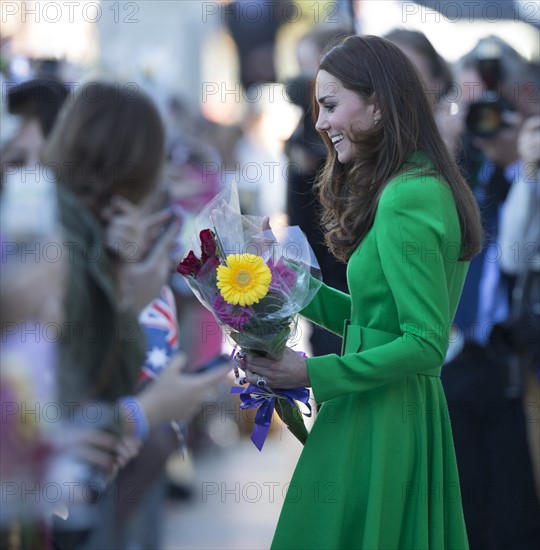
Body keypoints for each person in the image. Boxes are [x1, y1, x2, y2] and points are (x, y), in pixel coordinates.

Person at [243, 35, 482, 549]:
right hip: (380, 407)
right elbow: (381, 320)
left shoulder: (408, 195)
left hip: (384, 417)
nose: (321, 123)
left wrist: (309, 371)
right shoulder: (413, 184)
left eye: (330, 105)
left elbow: (424, 342)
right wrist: (280, 281)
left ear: (378, 105)